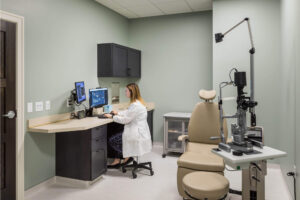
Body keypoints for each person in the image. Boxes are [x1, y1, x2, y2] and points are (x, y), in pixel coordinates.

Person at [104, 83, 152, 168]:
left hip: (135, 134)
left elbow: (125, 120)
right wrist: (118, 113)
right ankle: (124, 157)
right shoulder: (138, 103)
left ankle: (128, 155)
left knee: (112, 140)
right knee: (118, 134)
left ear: (131, 92)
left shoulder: (135, 105)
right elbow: (128, 112)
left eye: (126, 91)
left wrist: (112, 116)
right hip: (140, 132)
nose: (125, 92)